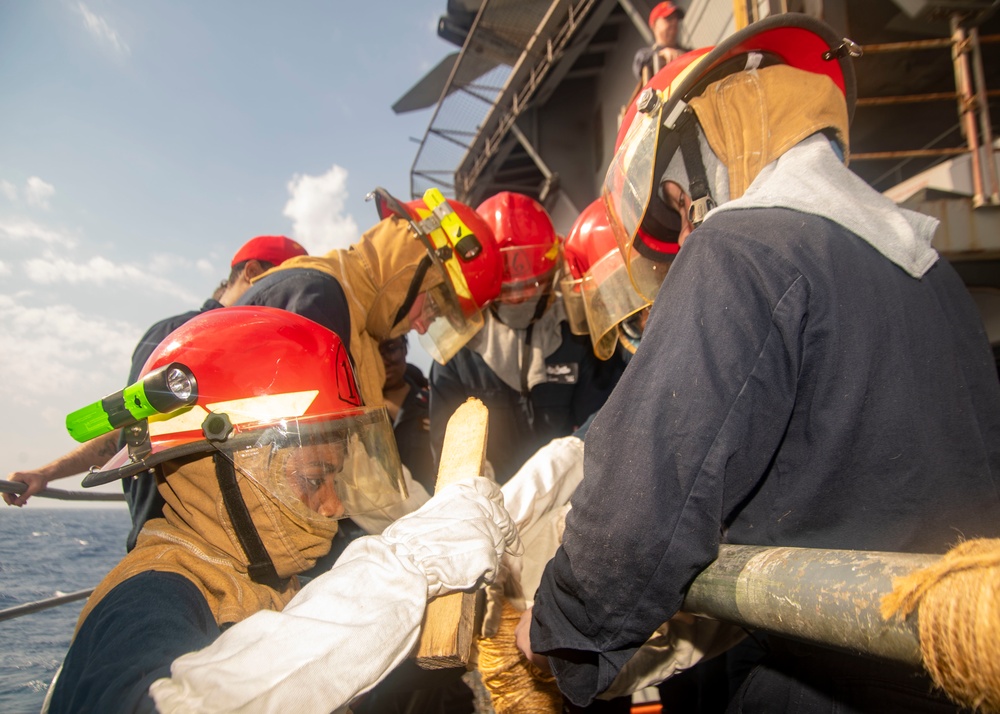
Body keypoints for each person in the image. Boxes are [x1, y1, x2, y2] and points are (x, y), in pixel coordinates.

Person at [518, 14, 1000, 712]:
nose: (685, 229)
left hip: (823, 679)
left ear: (712, 138)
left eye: (680, 201)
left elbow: (644, 498)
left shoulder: (741, 249)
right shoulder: (934, 274)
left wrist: (561, 623)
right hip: (952, 669)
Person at [44, 306, 515, 714]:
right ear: (219, 466)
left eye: (334, 480)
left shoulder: (256, 572)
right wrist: (406, 568)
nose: (332, 507)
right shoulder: (148, 595)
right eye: (313, 479)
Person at [4, 236, 307, 543]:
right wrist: (47, 474)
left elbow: (130, 426)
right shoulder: (187, 334)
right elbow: (135, 426)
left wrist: (46, 473)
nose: (291, 298)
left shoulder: (232, 345)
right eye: (284, 283)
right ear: (252, 272)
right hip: (180, 542)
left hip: (214, 542)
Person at [236, 187, 503, 410]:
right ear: (411, 265)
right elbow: (298, 460)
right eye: (432, 308)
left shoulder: (356, 323)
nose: (421, 326)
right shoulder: (316, 300)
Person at [429, 191, 618, 485]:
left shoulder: (577, 335)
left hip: (568, 493)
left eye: (531, 285)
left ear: (553, 273)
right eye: (505, 288)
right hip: (489, 503)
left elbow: (602, 425)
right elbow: (448, 452)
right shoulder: (458, 352)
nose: (517, 297)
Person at [380, 335, 435, 494]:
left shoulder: (433, 405)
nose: (384, 361)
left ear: (404, 349)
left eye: (391, 349)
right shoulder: (360, 412)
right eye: (376, 353)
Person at [632, 1, 689, 83]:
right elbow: (640, 60)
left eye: (676, 18)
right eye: (668, 19)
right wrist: (660, 55)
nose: (674, 22)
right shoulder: (646, 55)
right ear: (654, 25)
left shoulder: (688, 52)